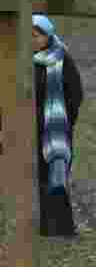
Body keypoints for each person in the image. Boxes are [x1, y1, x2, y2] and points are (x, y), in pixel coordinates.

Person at [28, 14, 84, 237]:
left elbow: (75, 94)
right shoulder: (24, 60)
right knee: (37, 179)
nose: (34, 40)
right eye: (30, 36)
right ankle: (44, 227)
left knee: (56, 176)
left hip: (55, 131)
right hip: (31, 129)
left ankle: (62, 227)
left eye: (37, 35)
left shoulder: (62, 59)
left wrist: (64, 120)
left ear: (47, 35)